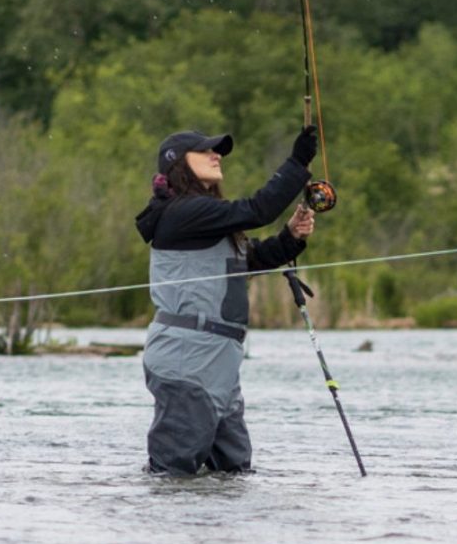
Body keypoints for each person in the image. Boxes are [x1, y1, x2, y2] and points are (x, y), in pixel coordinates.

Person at [134, 124, 321, 475]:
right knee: (173, 474)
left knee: (234, 471)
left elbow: (252, 260)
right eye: (205, 151)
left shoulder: (205, 217)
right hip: (186, 360)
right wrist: (297, 162)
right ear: (178, 164)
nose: (216, 155)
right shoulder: (182, 212)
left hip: (220, 364)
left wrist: (291, 237)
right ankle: (165, 531)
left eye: (216, 150)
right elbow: (258, 210)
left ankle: (224, 531)